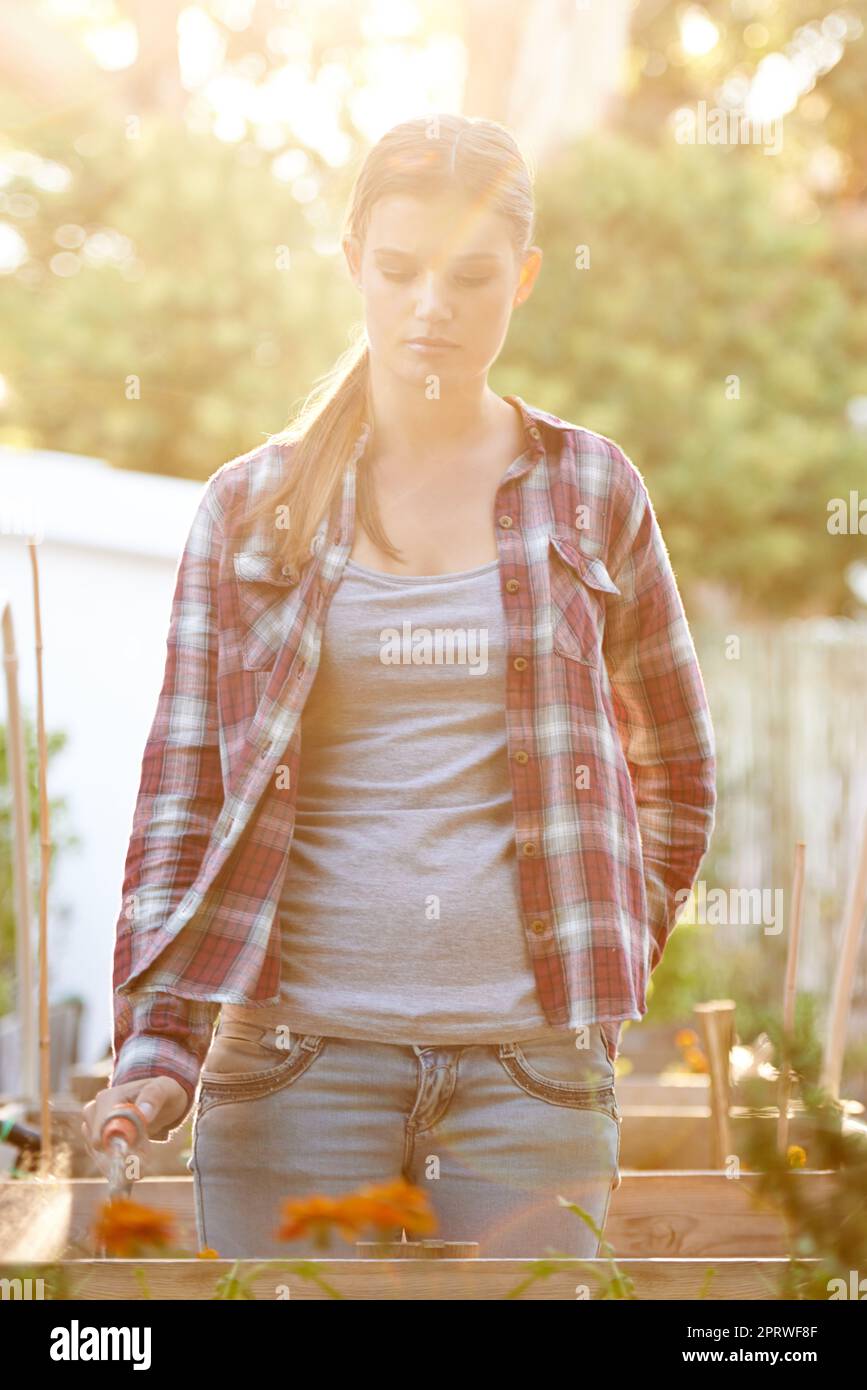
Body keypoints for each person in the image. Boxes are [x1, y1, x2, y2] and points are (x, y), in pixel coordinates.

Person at [83, 114, 716, 1260]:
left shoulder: (593, 491)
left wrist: (600, 952)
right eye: (401, 268)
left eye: (472, 275)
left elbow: (674, 767)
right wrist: (158, 1048)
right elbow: (182, 798)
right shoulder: (249, 508)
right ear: (352, 266)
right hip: (291, 1069)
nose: (434, 304)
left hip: (531, 1082)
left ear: (522, 280)